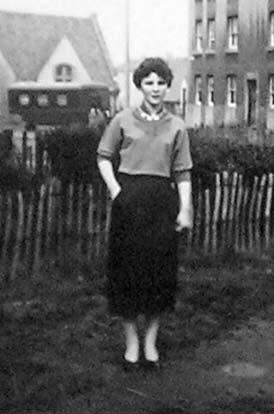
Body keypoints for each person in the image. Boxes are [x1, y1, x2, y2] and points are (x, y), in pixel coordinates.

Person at [96, 57, 193, 371]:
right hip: (129, 204)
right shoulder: (123, 120)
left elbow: (182, 172)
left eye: (160, 83)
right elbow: (103, 157)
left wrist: (185, 207)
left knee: (158, 274)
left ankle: (150, 341)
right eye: (148, 83)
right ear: (140, 86)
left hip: (161, 205)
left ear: (168, 86)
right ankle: (131, 342)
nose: (155, 88)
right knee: (127, 273)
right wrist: (116, 191)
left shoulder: (177, 126)